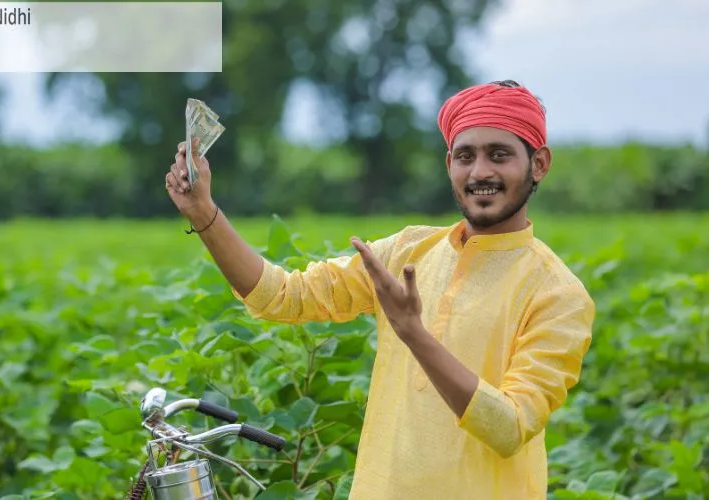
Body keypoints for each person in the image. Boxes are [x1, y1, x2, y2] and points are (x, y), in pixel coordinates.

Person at [164, 80, 595, 499]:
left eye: (499, 155)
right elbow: (282, 295)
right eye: (466, 156)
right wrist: (204, 212)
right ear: (449, 165)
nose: (480, 171)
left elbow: (510, 426)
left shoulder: (557, 295)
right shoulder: (409, 250)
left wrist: (415, 335)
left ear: (538, 164)